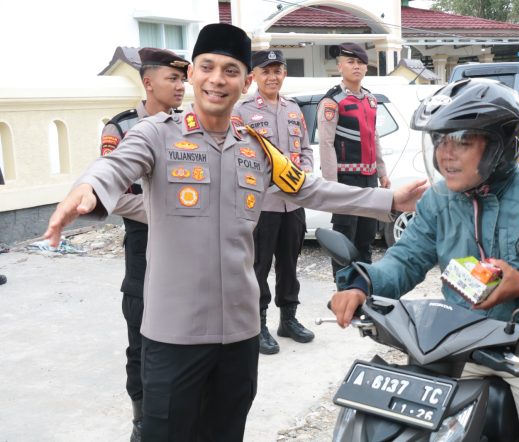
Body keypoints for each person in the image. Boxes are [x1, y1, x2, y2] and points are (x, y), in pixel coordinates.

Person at [43, 23, 427, 441]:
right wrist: (86, 188)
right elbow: (114, 167)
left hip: (240, 335)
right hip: (174, 335)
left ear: (245, 82)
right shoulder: (155, 135)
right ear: (192, 74)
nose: (217, 79)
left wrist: (389, 201)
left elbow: (309, 187)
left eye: (230, 70)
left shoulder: (257, 148)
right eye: (207, 67)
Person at [330, 78, 519, 442]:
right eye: (440, 140)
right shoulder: (438, 201)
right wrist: (362, 284)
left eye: (462, 141)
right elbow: (405, 259)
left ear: (501, 146)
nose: (445, 154)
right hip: (458, 347)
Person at [100, 47, 189, 442]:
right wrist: (163, 212)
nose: (181, 86)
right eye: (173, 79)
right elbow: (114, 195)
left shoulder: (191, 127)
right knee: (141, 340)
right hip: (145, 244)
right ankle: (142, 421)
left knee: (187, 335)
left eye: (183, 79)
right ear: (148, 82)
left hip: (189, 245)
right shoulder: (120, 129)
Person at [232, 49, 314, 355]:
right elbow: (236, 155)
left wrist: (305, 170)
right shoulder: (241, 112)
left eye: (278, 71)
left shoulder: (293, 109)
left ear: (284, 75)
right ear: (254, 77)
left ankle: (288, 319)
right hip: (261, 205)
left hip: (293, 202)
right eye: (266, 71)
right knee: (259, 266)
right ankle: (259, 324)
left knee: (290, 264)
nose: (272, 77)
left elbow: (305, 149)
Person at [316, 42, 391, 279]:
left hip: (370, 180)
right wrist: (331, 185)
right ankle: (344, 292)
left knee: (367, 238)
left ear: (366, 68)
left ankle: (364, 292)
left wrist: (382, 172)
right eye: (350, 62)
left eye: (360, 62)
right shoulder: (332, 102)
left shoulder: (370, 100)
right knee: (343, 241)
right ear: (340, 66)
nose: (356, 66)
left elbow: (374, 136)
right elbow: (326, 144)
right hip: (345, 180)